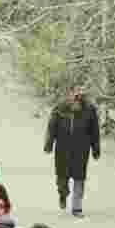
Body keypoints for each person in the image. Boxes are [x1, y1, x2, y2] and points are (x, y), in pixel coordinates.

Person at [44, 84, 101, 218]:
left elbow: (94, 131)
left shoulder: (89, 110)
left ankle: (77, 207)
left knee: (79, 178)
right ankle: (63, 194)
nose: (76, 95)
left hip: (82, 149)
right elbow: (52, 127)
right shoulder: (60, 109)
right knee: (62, 179)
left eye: (79, 92)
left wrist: (95, 148)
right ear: (68, 93)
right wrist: (49, 143)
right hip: (62, 149)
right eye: (74, 92)